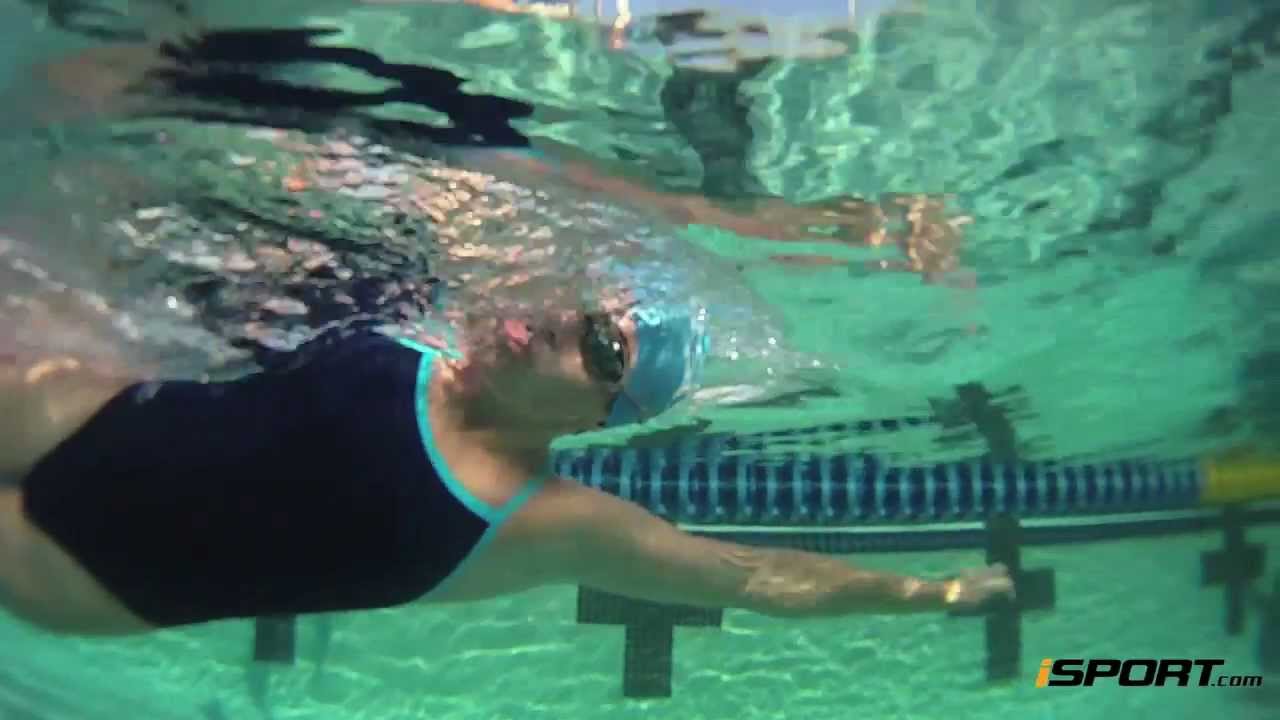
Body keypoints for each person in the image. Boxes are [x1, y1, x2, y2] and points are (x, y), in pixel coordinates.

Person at [0, 297, 1014, 636]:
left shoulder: (539, 518)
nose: (565, 325)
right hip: (75, 412)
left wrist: (924, 593)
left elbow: (748, 577)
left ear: (602, 415)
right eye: (585, 309)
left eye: (602, 349)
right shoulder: (421, 325)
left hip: (94, 576)